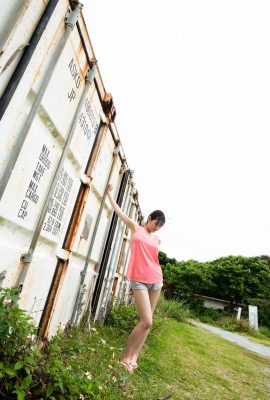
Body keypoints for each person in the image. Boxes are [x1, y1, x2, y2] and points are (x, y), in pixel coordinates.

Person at [106, 183, 165, 373]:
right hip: (138, 279)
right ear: (149, 218)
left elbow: (153, 260)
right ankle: (124, 356)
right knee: (146, 320)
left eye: (160, 226)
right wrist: (109, 195)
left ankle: (134, 358)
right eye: (156, 223)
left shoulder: (157, 240)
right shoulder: (136, 229)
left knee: (150, 322)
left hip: (156, 279)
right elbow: (120, 213)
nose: (157, 228)